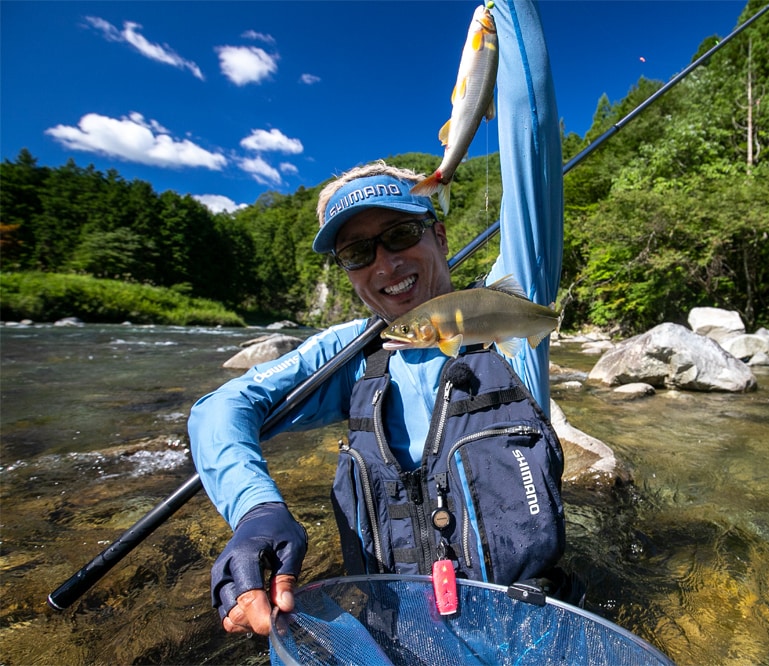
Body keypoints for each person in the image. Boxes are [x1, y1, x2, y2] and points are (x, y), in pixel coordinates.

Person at [188, 0, 566, 637]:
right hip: (400, 635)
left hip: (526, 633)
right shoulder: (350, 353)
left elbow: (529, 137)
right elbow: (218, 409)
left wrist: (502, 17)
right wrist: (255, 510)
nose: (386, 264)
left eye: (399, 234)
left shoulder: (504, 311)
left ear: (438, 234)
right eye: (359, 251)